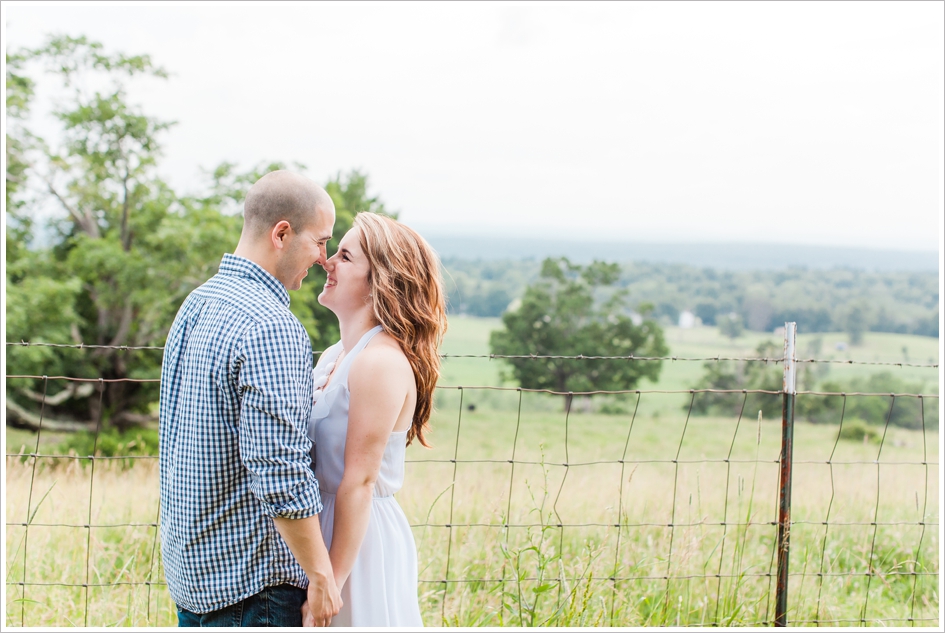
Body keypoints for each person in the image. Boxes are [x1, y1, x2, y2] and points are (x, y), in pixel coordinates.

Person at [159, 170, 343, 627]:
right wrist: (321, 574)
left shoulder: (198, 303)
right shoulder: (272, 326)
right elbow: (280, 469)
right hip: (252, 587)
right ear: (282, 233)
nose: (324, 258)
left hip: (195, 577)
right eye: (320, 242)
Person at [302, 212, 447, 627]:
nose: (327, 263)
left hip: (357, 546)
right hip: (325, 528)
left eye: (344, 257)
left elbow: (360, 482)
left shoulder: (379, 362)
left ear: (377, 283)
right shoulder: (336, 354)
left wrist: (331, 580)